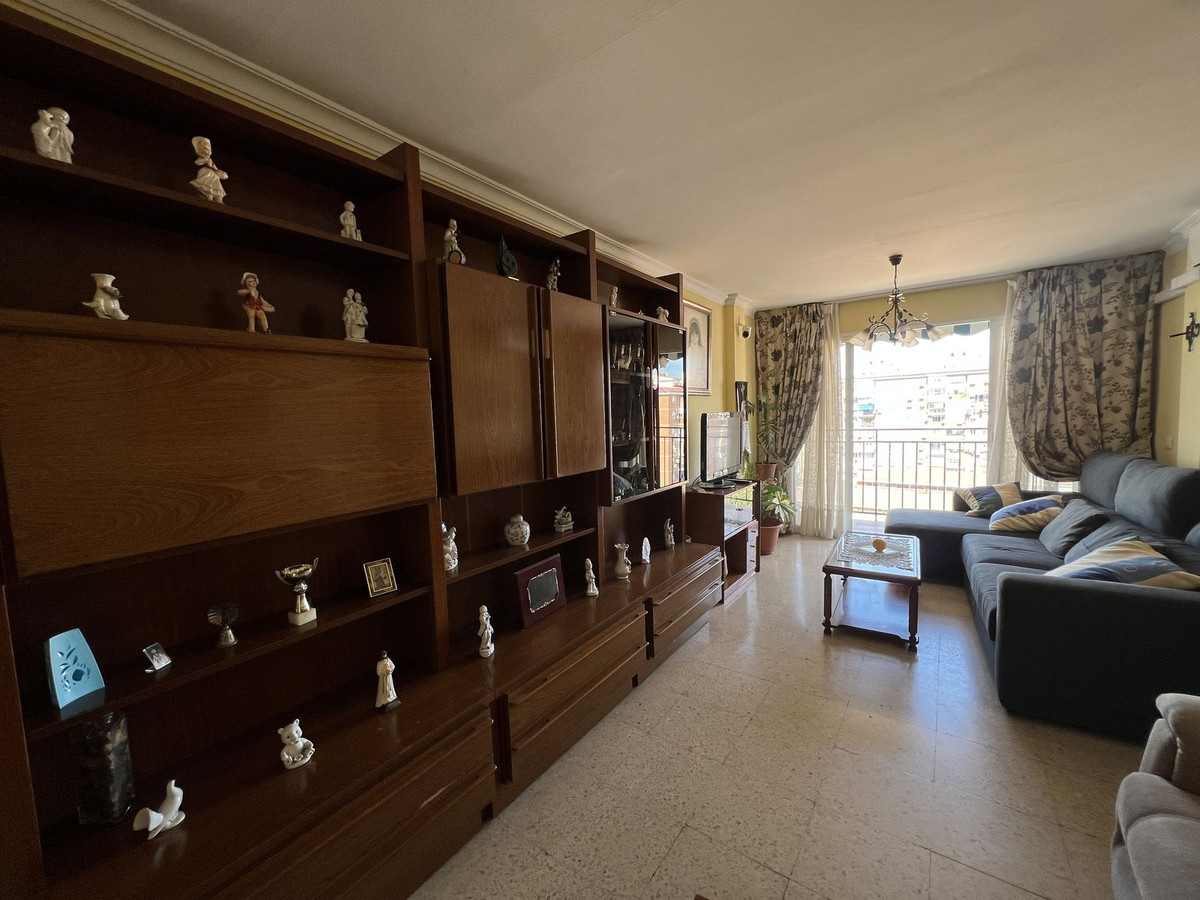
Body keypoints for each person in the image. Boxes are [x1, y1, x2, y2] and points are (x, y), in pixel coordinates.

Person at [190, 136, 228, 203]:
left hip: (214, 175)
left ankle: (217, 198)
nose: (207, 150)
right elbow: (197, 162)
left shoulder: (210, 160)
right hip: (206, 172)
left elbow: (216, 170)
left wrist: (214, 169)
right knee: (207, 184)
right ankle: (209, 196)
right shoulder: (204, 159)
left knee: (216, 184)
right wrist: (205, 160)